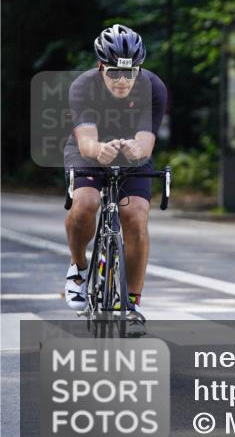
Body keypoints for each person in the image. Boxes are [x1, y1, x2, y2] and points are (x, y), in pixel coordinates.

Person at [63, 24, 167, 337]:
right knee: (86, 203)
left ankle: (132, 304)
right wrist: (99, 150)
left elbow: (146, 143)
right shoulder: (83, 87)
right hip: (90, 150)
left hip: (132, 154)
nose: (122, 81)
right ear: (100, 67)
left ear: (139, 69)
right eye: (113, 73)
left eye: (130, 73)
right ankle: (79, 269)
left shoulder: (153, 87)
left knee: (135, 215)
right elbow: (86, 143)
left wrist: (137, 148)